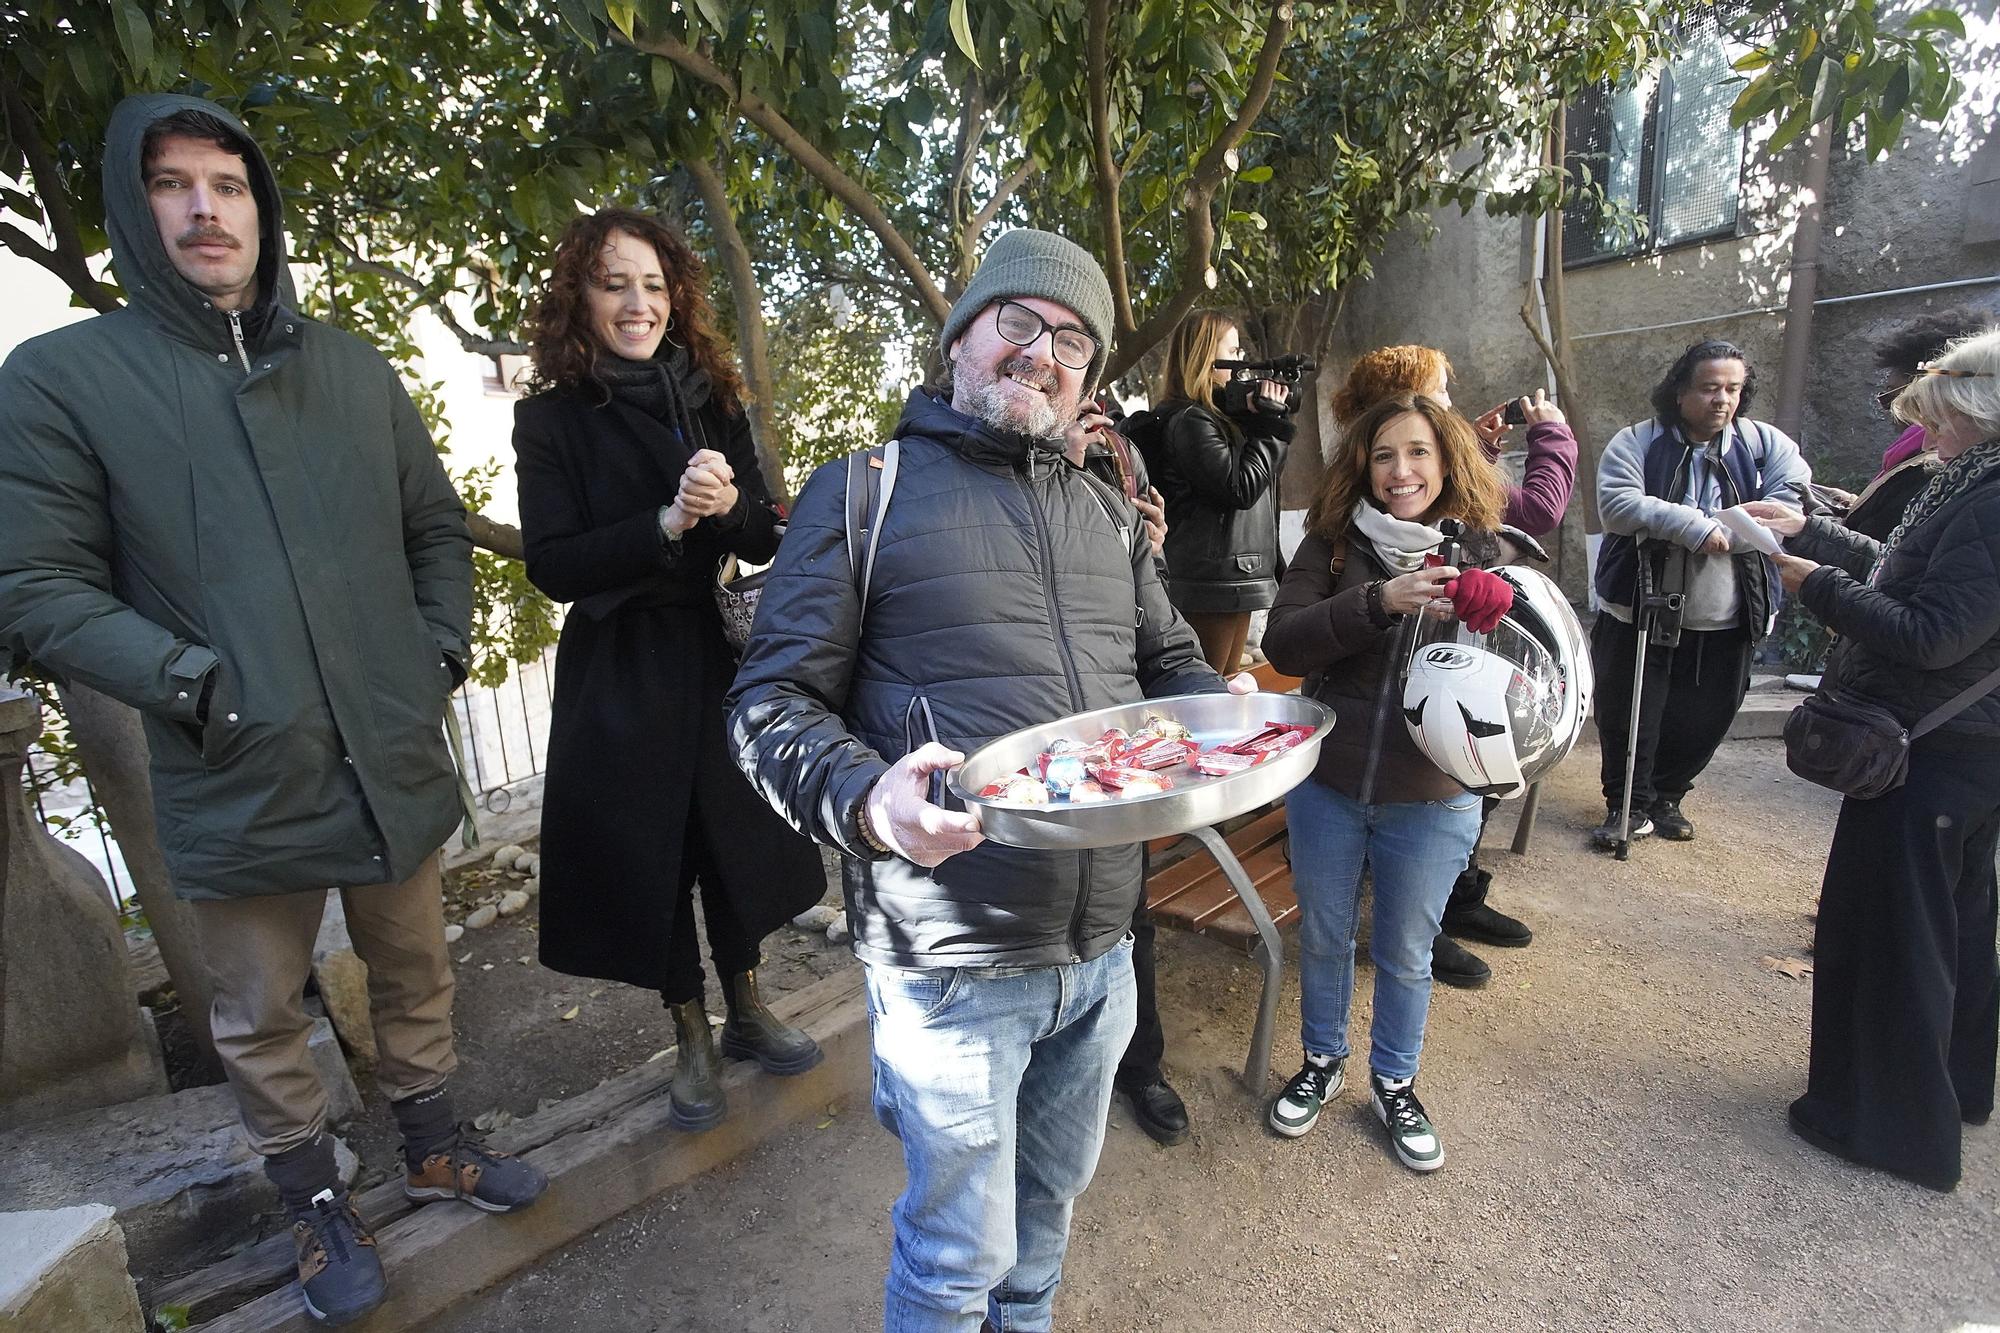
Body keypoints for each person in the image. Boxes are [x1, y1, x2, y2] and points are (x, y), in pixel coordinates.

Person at [0, 95, 544, 1326]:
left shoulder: (346, 365)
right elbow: (33, 587)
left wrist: (438, 654)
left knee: (416, 967)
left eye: (229, 184)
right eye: (173, 184)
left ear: (262, 208)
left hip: (385, 745)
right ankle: (311, 1203)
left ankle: (435, 1140)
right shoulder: (65, 379)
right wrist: (193, 683)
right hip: (230, 762)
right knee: (259, 1015)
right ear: (135, 213)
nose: (206, 207)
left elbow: (431, 528)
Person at [726, 229, 1244, 1332]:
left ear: (1087, 379)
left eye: (1070, 342)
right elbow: (766, 708)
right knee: (956, 1253)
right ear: (958, 336)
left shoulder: (1106, 510)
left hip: (1102, 951)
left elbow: (1168, 668)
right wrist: (869, 803)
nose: (1040, 354)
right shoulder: (864, 492)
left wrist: (1220, 721)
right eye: (1016, 321)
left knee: (1044, 1222)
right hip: (950, 960)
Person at [512, 208, 826, 1133]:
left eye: (653, 284)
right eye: (615, 284)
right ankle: (688, 1028)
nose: (637, 302)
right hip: (622, 668)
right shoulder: (551, 421)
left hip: (714, 653)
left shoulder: (713, 399)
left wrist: (730, 509)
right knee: (659, 852)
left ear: (675, 296)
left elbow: (770, 531)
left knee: (735, 837)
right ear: (582, 299)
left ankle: (748, 1005)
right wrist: (662, 524)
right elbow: (553, 563)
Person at [1746, 328, 2000, 1193]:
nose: (1929, 441)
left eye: (1940, 424)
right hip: (1962, 749)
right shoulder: (1974, 486)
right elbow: (1907, 574)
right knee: (1954, 930)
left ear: (1980, 413)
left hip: (1931, 746)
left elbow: (1927, 633)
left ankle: (1890, 1126)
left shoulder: (1991, 499)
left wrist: (1808, 580)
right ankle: (1953, 1089)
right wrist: (1815, 534)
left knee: (1896, 934)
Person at [1260, 391, 1517, 1169]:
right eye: (1383, 455)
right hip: (1329, 784)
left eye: (1417, 453)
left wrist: (1495, 613)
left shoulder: (1483, 546)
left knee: (1408, 951)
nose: (1400, 470)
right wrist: (1375, 601)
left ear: (1445, 461)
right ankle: (1322, 1060)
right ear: (1362, 467)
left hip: (1434, 797)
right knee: (1327, 937)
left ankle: (1396, 1081)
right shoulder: (1333, 544)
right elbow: (1286, 641)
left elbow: (1520, 674)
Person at [1328, 345, 1579, 987]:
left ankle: (1452, 902)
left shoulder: (1427, 470)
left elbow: (1474, 515)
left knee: (1466, 780)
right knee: (1443, 782)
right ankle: (1428, 922)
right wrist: (1552, 435)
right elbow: (1538, 510)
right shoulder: (1358, 508)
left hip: (1449, 683)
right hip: (1396, 713)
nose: (1451, 402)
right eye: (1440, 391)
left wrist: (1477, 457)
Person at [1589, 338, 1809, 849]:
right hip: (1640, 608)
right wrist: (1690, 525)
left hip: (1731, 610)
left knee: (1707, 711)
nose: (1722, 400)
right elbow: (1618, 505)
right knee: (1630, 708)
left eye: (1732, 389)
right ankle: (1628, 803)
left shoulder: (1765, 445)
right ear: (1680, 392)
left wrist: (1730, 532)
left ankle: (1668, 795)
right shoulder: (1636, 441)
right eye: (1710, 388)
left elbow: (1791, 504)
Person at [1065, 401, 1188, 1147]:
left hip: (1114, 762)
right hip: (1030, 775)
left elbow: (1155, 637)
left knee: (1126, 914)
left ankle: (1140, 1066)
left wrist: (1154, 553)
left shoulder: (1110, 504)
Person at [1146, 312, 1294, 673]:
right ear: (1205, 358)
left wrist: (1259, 420)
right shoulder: (1192, 422)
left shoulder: (1218, 419)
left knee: (1224, 683)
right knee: (1208, 688)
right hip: (1209, 583)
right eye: (1233, 352)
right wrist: (1270, 429)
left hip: (1229, 580)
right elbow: (1239, 487)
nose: (1241, 364)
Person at [1836, 309, 1996, 541]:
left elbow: (1888, 568)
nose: (1926, 442)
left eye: (1935, 420)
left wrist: (1814, 562)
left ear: (1980, 412)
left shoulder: (1944, 478)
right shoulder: (1967, 477)